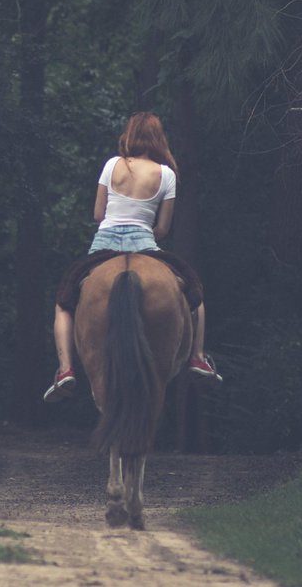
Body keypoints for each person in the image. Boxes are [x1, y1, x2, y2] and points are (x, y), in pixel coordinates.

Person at [42, 112, 219, 401]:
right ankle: (198, 358)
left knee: (64, 301)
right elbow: (162, 228)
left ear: (130, 135)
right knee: (194, 294)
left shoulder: (113, 164)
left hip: (105, 244)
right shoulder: (167, 174)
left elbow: (98, 214)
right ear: (159, 139)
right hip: (144, 243)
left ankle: (64, 370)